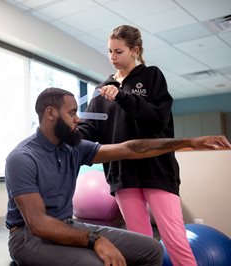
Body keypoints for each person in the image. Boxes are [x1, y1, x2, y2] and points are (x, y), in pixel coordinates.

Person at [5, 87, 231, 266]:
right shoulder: (22, 157)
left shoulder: (72, 148)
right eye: (72, 113)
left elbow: (131, 148)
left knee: (151, 249)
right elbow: (38, 224)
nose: (78, 120)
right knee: (99, 263)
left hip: (68, 225)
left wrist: (188, 142)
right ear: (51, 113)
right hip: (27, 237)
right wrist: (95, 239)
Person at [77, 24, 207, 266]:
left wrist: (122, 96)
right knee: (140, 244)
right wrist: (69, 133)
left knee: (175, 240)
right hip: (123, 174)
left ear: (134, 50)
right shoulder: (102, 90)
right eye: (109, 52)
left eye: (119, 52)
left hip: (157, 170)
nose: (113, 58)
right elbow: (90, 129)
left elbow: (157, 120)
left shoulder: (152, 77)